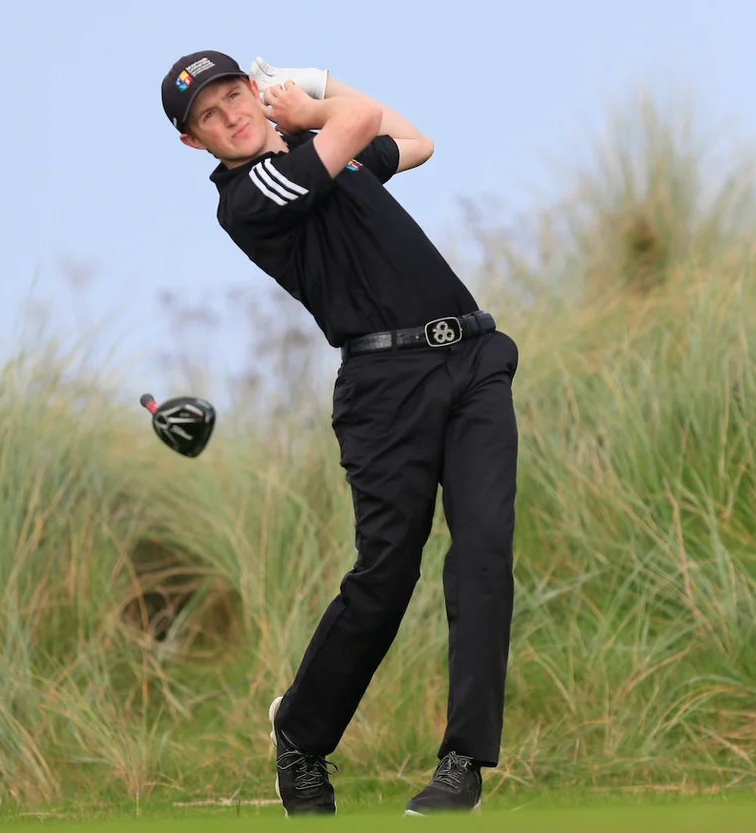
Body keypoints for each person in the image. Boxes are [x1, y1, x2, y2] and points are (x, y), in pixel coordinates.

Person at [160, 50, 520, 817]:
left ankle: (463, 761)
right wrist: (312, 104)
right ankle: (299, 732)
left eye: (235, 97)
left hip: (474, 360)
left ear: (252, 92)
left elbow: (414, 140)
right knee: (387, 575)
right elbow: (355, 122)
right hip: (384, 389)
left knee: (484, 550)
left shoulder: (315, 155)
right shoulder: (248, 193)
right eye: (210, 118)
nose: (231, 117)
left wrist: (310, 90)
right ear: (196, 144)